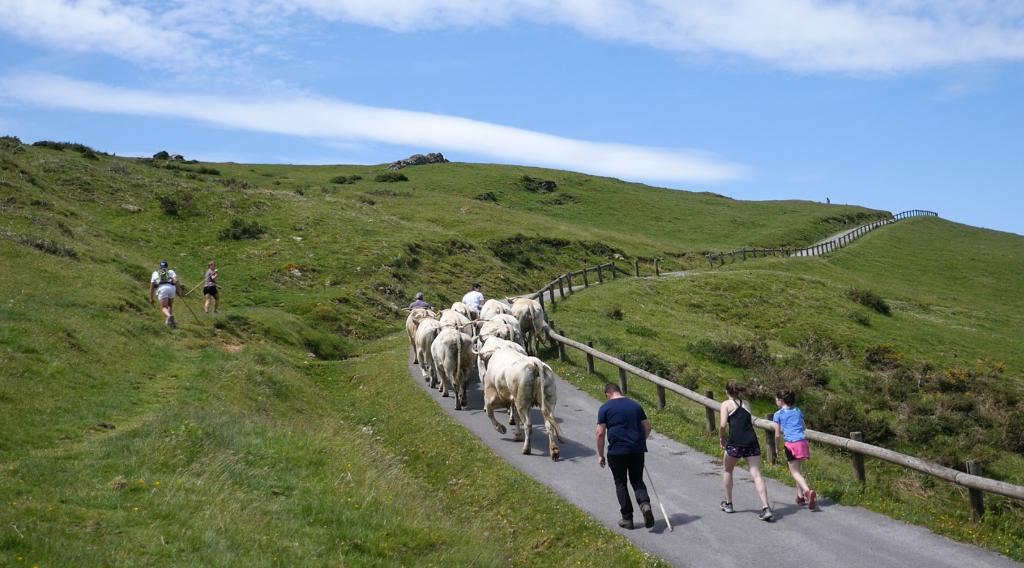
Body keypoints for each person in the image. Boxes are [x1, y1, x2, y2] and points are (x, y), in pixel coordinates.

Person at [597, 382, 655, 530]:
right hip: (636, 450)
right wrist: (640, 442)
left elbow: (600, 433)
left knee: (621, 483)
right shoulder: (635, 405)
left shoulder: (605, 408)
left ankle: (627, 519)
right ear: (619, 391)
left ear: (607, 394)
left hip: (617, 452)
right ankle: (645, 505)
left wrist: (600, 455)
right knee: (637, 480)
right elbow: (647, 427)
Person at [719, 380, 772, 521]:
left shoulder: (725, 404)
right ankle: (766, 507)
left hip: (736, 442)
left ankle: (729, 504)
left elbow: (723, 425)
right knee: (756, 473)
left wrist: (722, 438)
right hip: (751, 441)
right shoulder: (747, 404)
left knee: (728, 470)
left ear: (727, 391)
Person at [773, 389, 816, 510]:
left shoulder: (778, 414)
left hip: (791, 444)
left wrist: (776, 448)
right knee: (798, 470)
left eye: (776, 399)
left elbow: (777, 434)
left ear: (781, 401)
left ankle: (807, 492)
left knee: (795, 473)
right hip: (802, 442)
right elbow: (803, 427)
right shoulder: (798, 411)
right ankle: (800, 496)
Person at [149, 260, 181, 328]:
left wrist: (151, 298)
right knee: (170, 305)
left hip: (162, 288)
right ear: (167, 266)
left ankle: (169, 316)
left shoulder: (155, 273)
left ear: (160, 267)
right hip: (171, 288)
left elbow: (152, 287)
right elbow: (176, 280)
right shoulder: (171, 271)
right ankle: (170, 322)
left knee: (163, 307)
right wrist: (179, 290)